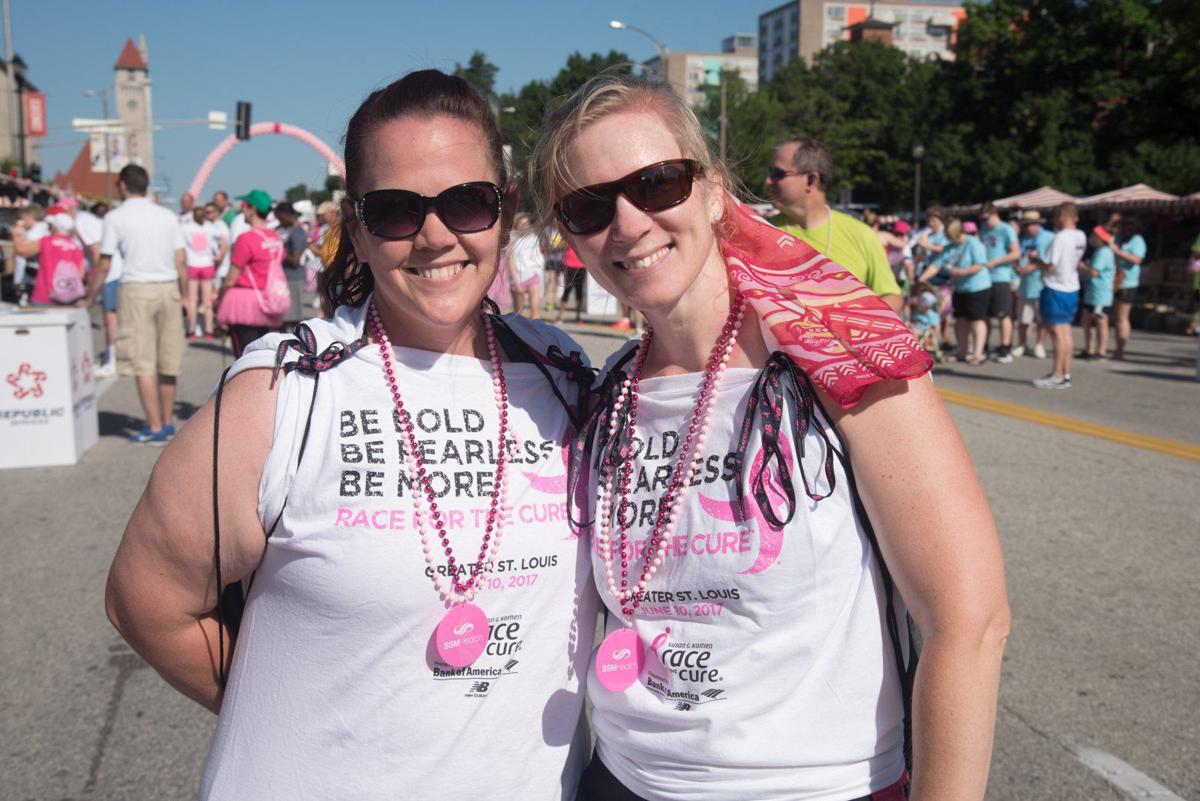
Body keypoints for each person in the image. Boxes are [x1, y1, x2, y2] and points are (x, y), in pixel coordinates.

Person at [105, 70, 599, 799]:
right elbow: (147, 601)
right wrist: (317, 723)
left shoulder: (563, 370)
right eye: (398, 211)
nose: (435, 236)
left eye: (467, 201)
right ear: (358, 229)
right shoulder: (284, 389)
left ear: (505, 210)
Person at [531, 73, 1009, 801]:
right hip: (623, 781)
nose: (627, 223)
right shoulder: (608, 391)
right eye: (591, 206)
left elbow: (968, 622)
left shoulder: (842, 355)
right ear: (569, 236)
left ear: (715, 188)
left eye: (658, 183)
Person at [78, 164, 187, 444]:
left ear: (124, 185)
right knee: (168, 361)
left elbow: (104, 262)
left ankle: (153, 427)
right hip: (168, 288)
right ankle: (167, 422)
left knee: (144, 362)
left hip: (136, 288)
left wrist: (89, 297)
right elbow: (180, 259)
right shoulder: (167, 216)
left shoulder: (115, 217)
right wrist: (185, 294)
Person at [765, 136, 903, 311]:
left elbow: (891, 295)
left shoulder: (861, 234)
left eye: (777, 174)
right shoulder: (762, 233)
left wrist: (856, 328)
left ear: (811, 180)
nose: (768, 181)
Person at [215, 189, 285, 356]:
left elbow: (231, 278)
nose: (242, 208)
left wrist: (219, 299)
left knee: (244, 358)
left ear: (253, 209)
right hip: (270, 302)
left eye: (245, 205)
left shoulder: (246, 238)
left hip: (245, 304)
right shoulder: (275, 238)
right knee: (266, 357)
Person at [1034, 202, 1086, 389]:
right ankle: (1065, 373)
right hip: (1071, 286)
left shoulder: (1061, 237)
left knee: (1057, 332)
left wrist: (1035, 260)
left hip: (1056, 286)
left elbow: (1050, 264)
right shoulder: (1081, 236)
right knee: (1065, 331)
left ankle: (1057, 374)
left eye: (1056, 217)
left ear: (1063, 217)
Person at [943, 218, 992, 365]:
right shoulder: (951, 246)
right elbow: (938, 263)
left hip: (977, 287)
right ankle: (962, 351)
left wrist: (962, 272)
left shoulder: (973, 243)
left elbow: (980, 265)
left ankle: (978, 353)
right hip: (960, 288)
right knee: (960, 320)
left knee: (977, 320)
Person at [978, 203, 1020, 362]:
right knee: (986, 315)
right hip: (985, 278)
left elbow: (1016, 253)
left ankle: (1005, 347)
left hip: (1001, 276)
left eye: (986, 218)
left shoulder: (1006, 229)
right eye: (982, 219)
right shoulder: (983, 230)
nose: (985, 221)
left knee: (1004, 314)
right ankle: (984, 346)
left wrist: (996, 261)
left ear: (995, 214)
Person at [1013, 210, 1054, 359]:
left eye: (1032, 224)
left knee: (1041, 318)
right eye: (1027, 225)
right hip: (1025, 285)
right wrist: (1018, 267)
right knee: (1023, 317)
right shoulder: (1024, 239)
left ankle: (1039, 344)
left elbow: (1051, 260)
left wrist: (1034, 265)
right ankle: (1022, 344)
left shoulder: (1049, 238)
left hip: (1042, 284)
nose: (1030, 228)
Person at [29, 206, 85, 306]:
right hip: (68, 296)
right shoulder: (76, 247)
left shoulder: (46, 241)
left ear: (55, 227)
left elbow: (23, 251)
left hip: (43, 295)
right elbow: (81, 272)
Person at [1110, 216, 1146, 360]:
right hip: (1116, 281)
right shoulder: (1119, 238)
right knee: (1114, 316)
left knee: (1122, 317)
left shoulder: (1137, 240)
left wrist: (1117, 252)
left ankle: (1120, 350)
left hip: (1128, 282)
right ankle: (1116, 348)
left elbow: (1137, 259)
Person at [180, 207, 218, 338]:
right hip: (207, 264)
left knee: (192, 300)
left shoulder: (185, 228)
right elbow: (222, 239)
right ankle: (209, 330)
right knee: (207, 300)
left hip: (192, 264)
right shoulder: (210, 227)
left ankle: (191, 330)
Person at [1080, 226, 1116, 360]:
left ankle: (1101, 350)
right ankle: (1089, 348)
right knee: (1086, 320)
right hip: (1092, 292)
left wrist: (1081, 266)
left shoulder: (1104, 252)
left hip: (1100, 293)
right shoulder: (1099, 251)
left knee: (1100, 321)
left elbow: (1094, 272)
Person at [273, 201, 308, 323]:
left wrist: (278, 251)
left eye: (280, 218)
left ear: (287, 215)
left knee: (293, 316)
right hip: (285, 277)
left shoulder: (297, 233)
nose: (279, 221)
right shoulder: (285, 230)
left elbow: (295, 261)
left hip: (293, 277)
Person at [506, 212, 545, 318]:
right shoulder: (512, 238)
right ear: (516, 224)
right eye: (522, 223)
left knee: (536, 309)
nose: (525, 226)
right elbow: (510, 259)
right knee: (518, 313)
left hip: (533, 274)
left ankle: (536, 331)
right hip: (518, 277)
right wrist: (515, 279)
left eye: (527, 223)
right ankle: (519, 333)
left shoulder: (533, 237)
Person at [555, 244, 586, 323]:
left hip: (581, 265)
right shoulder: (568, 232)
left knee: (579, 291)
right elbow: (561, 246)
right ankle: (559, 316)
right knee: (567, 290)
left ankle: (578, 316)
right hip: (569, 264)